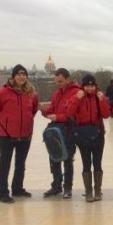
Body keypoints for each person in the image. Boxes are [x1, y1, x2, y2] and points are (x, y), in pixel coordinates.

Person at [0, 64, 38, 204]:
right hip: (7, 135)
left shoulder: (31, 93)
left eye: (24, 75)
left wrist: (27, 122)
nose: (22, 77)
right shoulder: (1, 93)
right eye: (19, 74)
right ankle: (3, 192)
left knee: (20, 163)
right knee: (5, 164)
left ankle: (17, 188)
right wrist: (3, 124)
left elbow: (33, 110)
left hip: (25, 134)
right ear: (13, 76)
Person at [67, 74, 110, 202]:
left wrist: (102, 100)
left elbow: (106, 114)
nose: (90, 89)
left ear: (95, 86)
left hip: (97, 134)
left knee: (97, 163)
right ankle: (88, 191)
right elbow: (69, 113)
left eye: (92, 86)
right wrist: (76, 99)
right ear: (83, 86)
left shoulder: (99, 97)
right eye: (87, 86)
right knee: (86, 163)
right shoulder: (78, 97)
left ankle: (97, 190)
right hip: (82, 134)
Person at [40, 68, 81, 198]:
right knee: (54, 158)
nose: (58, 84)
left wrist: (58, 117)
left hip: (68, 131)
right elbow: (52, 110)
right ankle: (56, 186)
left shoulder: (76, 92)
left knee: (68, 160)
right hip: (55, 132)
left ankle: (67, 188)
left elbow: (73, 115)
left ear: (68, 79)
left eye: (60, 81)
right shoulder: (57, 93)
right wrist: (44, 111)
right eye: (56, 81)